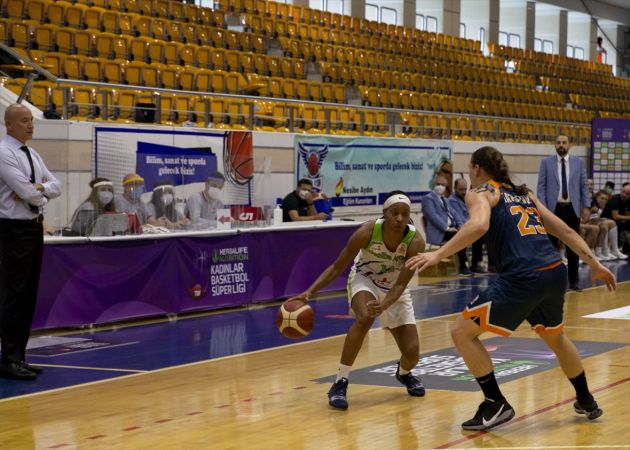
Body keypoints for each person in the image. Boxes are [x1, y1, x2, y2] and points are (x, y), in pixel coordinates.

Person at [406, 146, 616, 431]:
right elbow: (566, 230)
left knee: (461, 333)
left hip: (523, 276)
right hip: (554, 272)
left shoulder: (481, 193)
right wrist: (594, 264)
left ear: (477, 168)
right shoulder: (524, 194)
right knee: (555, 337)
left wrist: (437, 254)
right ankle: (586, 399)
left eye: (470, 168)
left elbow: (479, 226)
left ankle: (496, 402)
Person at [288, 192, 426, 410]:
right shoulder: (367, 232)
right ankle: (340, 382)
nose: (399, 218)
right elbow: (337, 266)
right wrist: (309, 292)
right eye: (394, 213)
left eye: (405, 214)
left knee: (412, 353)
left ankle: (404, 373)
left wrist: (386, 303)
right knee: (365, 317)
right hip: (365, 280)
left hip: (394, 289)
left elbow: (400, 284)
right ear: (385, 213)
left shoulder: (415, 241)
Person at [0, 104, 62, 380]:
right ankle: (8, 358)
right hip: (12, 229)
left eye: (31, 120)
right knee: (13, 295)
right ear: (9, 124)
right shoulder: (4, 152)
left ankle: (19, 356)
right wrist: (37, 191)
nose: (30, 125)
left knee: (27, 295)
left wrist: (39, 189)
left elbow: (56, 185)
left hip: (32, 228)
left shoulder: (32, 154)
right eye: (24, 121)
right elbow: (28, 193)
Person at [536, 135, 590, 291]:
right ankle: (551, 281)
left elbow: (583, 186)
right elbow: (541, 187)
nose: (561, 145)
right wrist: (543, 209)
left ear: (570, 145)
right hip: (553, 209)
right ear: (555, 145)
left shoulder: (578, 163)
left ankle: (574, 281)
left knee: (573, 245)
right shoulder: (546, 163)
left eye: (564, 143)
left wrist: (586, 206)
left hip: (572, 208)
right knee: (550, 246)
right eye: (558, 143)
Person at [422, 175, 472, 276]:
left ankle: (467, 264)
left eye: (443, 185)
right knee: (458, 236)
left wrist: (461, 226)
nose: (440, 186)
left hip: (451, 229)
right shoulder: (428, 199)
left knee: (462, 232)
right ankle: (463, 266)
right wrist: (447, 228)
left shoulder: (445, 199)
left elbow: (455, 213)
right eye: (438, 184)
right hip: (440, 232)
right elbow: (433, 216)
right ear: (433, 185)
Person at [448, 177, 486, 273]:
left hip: (468, 225)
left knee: (482, 234)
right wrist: (468, 226)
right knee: (462, 235)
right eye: (461, 189)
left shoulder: (465, 198)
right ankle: (463, 265)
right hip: (458, 226)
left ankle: (476, 264)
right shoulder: (452, 200)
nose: (464, 191)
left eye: (465, 189)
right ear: (455, 188)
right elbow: (458, 217)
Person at [592, 190, 626, 259]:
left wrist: (602, 218)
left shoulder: (599, 206)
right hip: (585, 223)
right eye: (602, 198)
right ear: (597, 197)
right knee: (605, 225)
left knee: (612, 223)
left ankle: (612, 250)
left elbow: (596, 219)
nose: (604, 200)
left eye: (606, 199)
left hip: (592, 221)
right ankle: (602, 251)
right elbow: (592, 221)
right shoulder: (593, 205)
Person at [600, 183, 630, 254]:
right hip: (607, 219)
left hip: (620, 220)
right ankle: (616, 248)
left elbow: (627, 214)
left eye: (627, 194)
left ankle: (626, 248)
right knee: (618, 225)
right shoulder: (615, 199)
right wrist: (628, 217)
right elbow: (615, 216)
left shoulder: (628, 201)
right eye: (623, 192)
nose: (624, 195)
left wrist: (627, 217)